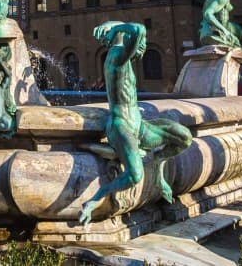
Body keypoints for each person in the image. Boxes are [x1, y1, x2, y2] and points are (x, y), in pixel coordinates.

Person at [77, 22, 192, 226]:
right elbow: (139, 30)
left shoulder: (123, 57)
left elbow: (138, 33)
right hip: (121, 126)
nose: (143, 45)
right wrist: (117, 27)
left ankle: (157, 162)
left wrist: (117, 27)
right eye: (141, 43)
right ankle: (95, 199)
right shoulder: (116, 56)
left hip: (138, 124)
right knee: (135, 175)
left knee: (184, 137)